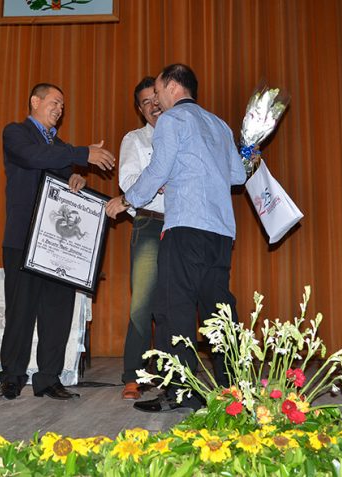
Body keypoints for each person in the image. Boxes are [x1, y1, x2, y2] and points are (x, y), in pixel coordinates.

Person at [105, 64, 246, 412]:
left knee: (173, 309)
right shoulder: (219, 124)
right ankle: (231, 390)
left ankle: (181, 391)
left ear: (171, 87)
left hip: (184, 227)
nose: (157, 100)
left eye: (157, 91)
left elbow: (157, 170)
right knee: (219, 309)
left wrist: (126, 201)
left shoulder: (172, 121)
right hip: (221, 231)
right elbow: (238, 175)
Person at [0, 83, 116, 401]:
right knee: (20, 311)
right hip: (22, 239)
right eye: (54, 102)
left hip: (55, 244)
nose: (59, 109)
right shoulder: (15, 133)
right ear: (34, 101)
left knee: (57, 311)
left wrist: (77, 178)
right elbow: (34, 157)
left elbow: (63, 174)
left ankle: (48, 378)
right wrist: (82, 154)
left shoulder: (60, 146)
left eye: (63, 105)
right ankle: (11, 377)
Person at [118, 76, 164, 400]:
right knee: (141, 304)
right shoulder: (134, 139)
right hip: (148, 225)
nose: (152, 106)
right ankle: (133, 376)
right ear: (139, 109)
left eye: (155, 99)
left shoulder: (182, 136)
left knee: (172, 305)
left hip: (181, 225)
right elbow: (128, 183)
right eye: (145, 102)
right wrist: (157, 179)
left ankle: (165, 375)